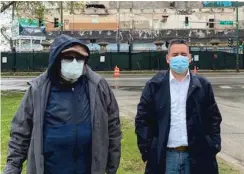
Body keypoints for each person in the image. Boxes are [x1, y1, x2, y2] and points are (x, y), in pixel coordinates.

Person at [3, 34, 122, 174]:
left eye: (79, 58)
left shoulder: (98, 86)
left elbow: (113, 128)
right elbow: (20, 132)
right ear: (56, 59)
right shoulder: (38, 89)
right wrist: (13, 167)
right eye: (68, 58)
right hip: (49, 168)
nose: (74, 62)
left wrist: (111, 166)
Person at [135, 39, 222, 174]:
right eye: (175, 55)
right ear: (168, 59)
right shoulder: (154, 85)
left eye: (183, 54)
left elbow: (214, 118)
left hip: (197, 156)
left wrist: (213, 145)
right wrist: (148, 150)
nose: (179, 58)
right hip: (165, 156)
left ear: (190, 58)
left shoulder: (203, 86)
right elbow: (142, 119)